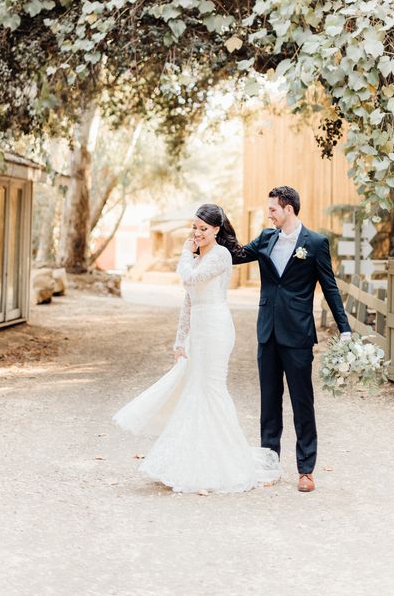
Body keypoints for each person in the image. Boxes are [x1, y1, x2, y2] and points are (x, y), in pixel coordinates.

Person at [113, 203, 280, 494]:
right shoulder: (196, 256)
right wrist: (180, 340)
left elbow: (190, 278)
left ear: (216, 229)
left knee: (211, 388)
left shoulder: (221, 256)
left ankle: (226, 461)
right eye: (194, 227)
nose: (197, 233)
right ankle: (189, 459)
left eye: (203, 228)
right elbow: (188, 299)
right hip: (198, 330)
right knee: (194, 389)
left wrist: (183, 254)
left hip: (216, 328)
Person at [233, 185, 351, 493]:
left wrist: (345, 328)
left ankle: (306, 469)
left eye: (273, 209)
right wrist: (214, 232)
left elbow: (330, 288)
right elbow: (236, 255)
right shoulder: (265, 238)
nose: (268, 213)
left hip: (298, 333)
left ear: (289, 209)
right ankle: (268, 464)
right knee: (269, 402)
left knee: (302, 402)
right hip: (267, 331)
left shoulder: (315, 243)